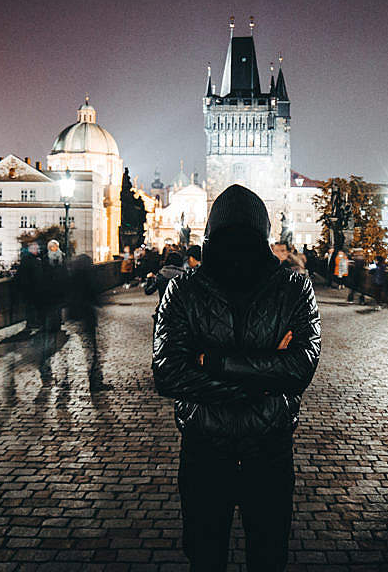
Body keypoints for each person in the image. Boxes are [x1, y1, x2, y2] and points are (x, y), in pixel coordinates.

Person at [153, 184, 321, 571]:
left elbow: (299, 370)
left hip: (227, 449)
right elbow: (166, 373)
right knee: (243, 557)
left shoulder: (293, 288)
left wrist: (211, 362)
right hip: (241, 449)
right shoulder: (185, 289)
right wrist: (262, 377)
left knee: (222, 557)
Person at [65, 253, 111, 392]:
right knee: (92, 350)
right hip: (86, 317)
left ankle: (64, 380)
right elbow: (94, 292)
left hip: (73, 316)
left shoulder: (71, 276)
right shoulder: (87, 276)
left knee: (72, 350)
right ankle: (95, 381)